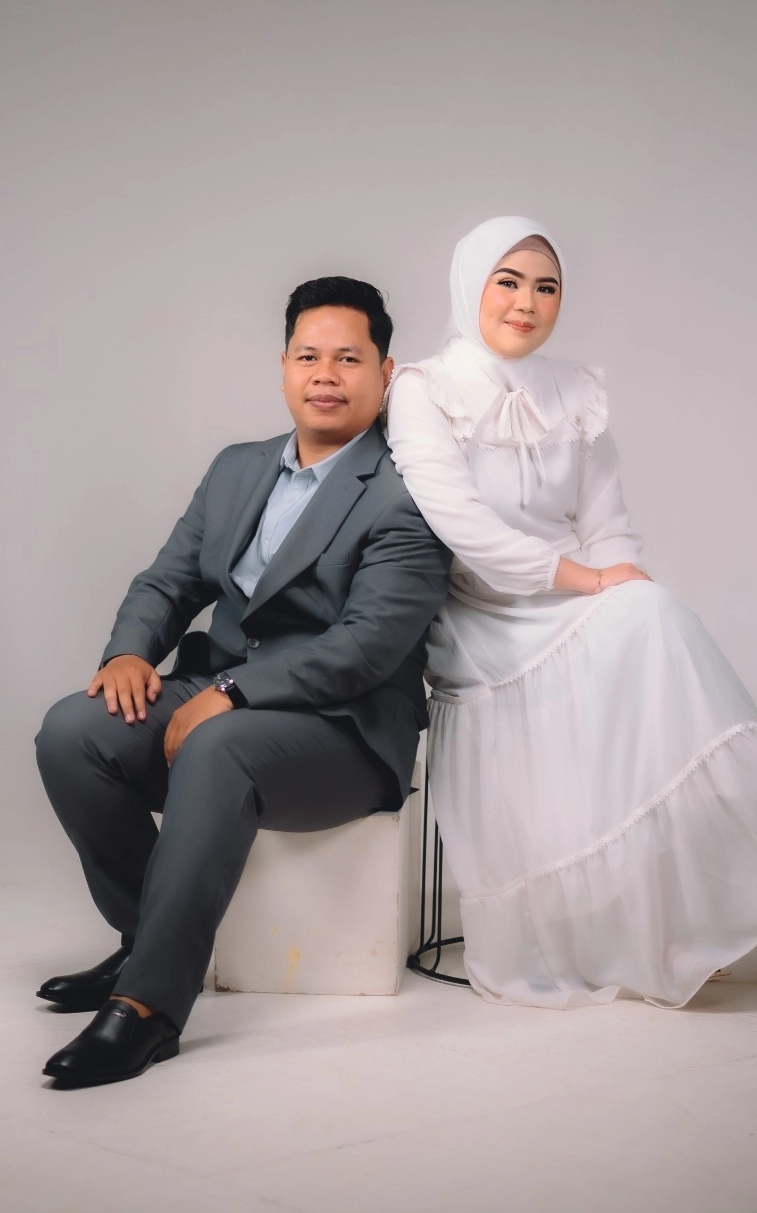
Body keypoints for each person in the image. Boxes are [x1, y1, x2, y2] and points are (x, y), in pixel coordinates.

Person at [385, 216, 757, 1008]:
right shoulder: (423, 388)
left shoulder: (575, 392)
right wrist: (591, 582)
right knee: (642, 621)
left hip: (573, 597)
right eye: (507, 282)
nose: (526, 303)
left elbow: (607, 520)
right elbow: (463, 528)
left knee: (653, 616)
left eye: (546, 287)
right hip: (484, 618)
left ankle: (732, 884)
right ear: (470, 285)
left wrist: (622, 581)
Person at [35, 276, 451, 1085]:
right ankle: (144, 943)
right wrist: (128, 653)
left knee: (218, 747)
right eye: (307, 356)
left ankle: (148, 1007)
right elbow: (168, 580)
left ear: (386, 372)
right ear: (283, 366)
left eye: (348, 359)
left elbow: (368, 645)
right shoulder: (237, 469)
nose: (325, 374)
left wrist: (232, 694)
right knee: (72, 733)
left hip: (345, 728)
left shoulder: (408, 491)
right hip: (222, 692)